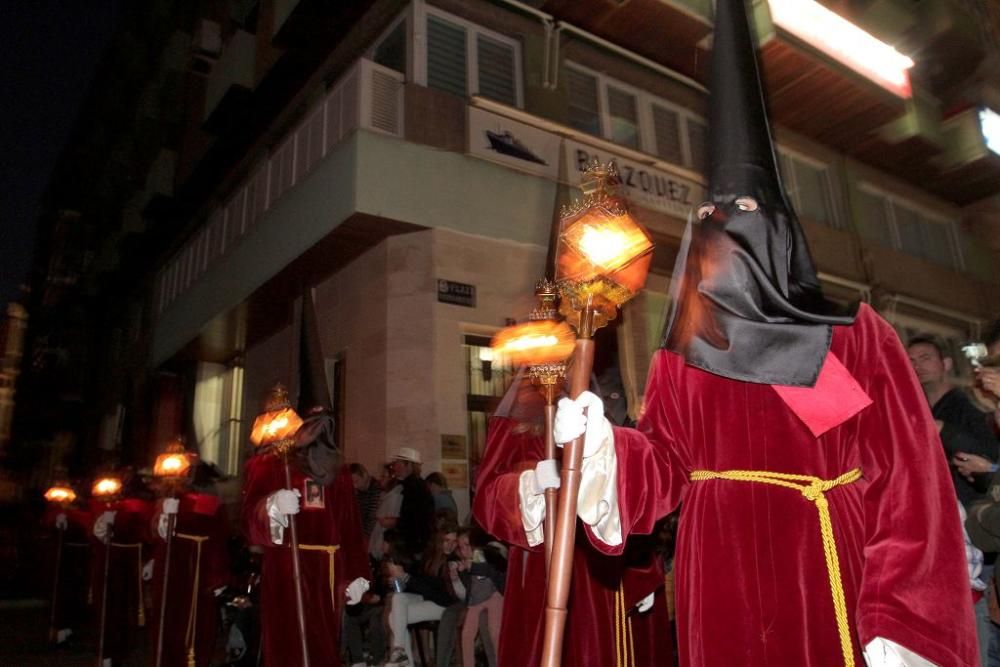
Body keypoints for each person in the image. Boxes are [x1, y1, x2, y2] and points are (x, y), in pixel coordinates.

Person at [539, 0, 978, 664]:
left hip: (829, 571)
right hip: (720, 578)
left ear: (783, 229)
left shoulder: (854, 335)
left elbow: (914, 486)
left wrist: (900, 618)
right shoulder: (682, 356)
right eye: (716, 213)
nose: (731, 224)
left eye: (748, 209)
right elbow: (661, 467)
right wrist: (603, 450)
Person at [242, 439, 370, 666]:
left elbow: (350, 525)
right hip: (288, 566)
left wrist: (357, 574)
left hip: (329, 570)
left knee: (325, 644)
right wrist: (273, 506)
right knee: (288, 641)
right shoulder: (269, 464)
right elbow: (250, 516)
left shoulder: (337, 469)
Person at [148, 461, 229, 667]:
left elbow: (216, 537)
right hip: (173, 567)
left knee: (193, 623)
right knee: (170, 620)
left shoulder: (207, 503)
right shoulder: (170, 502)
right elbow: (160, 534)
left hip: (196, 570)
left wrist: (217, 575)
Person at [908, 333, 998, 506]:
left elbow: (991, 452)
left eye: (925, 358)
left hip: (967, 508)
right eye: (910, 361)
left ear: (946, 363)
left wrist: (946, 431)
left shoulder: (975, 405)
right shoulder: (915, 409)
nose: (917, 366)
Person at [90, 470, 154, 667]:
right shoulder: (129, 508)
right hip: (119, 562)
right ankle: (114, 650)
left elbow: (149, 534)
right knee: (118, 608)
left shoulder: (136, 508)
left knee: (120, 608)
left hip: (125, 562)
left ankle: (117, 650)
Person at [383, 522, 462, 665]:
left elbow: (441, 595)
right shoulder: (432, 557)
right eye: (446, 540)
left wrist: (406, 577)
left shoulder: (453, 561)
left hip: (446, 605)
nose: (450, 545)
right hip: (431, 600)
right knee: (398, 599)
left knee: (393, 617)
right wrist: (401, 581)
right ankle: (400, 653)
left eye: (454, 541)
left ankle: (402, 658)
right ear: (440, 541)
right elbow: (422, 584)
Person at [456, 529, 506, 667]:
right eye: (461, 547)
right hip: (476, 601)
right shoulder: (466, 561)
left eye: (467, 545)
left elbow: (491, 569)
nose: (464, 550)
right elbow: (470, 588)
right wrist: (462, 573)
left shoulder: (486, 553)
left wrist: (473, 566)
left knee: (494, 632)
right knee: (466, 635)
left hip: (493, 595)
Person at [391, 447, 435, 558]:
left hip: (412, 545)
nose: (395, 467)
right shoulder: (414, 484)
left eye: (398, 463)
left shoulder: (413, 487)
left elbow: (412, 519)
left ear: (409, 465)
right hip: (415, 543)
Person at [351, 462, 382, 539]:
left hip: (374, 536)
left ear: (365, 475)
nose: (354, 486)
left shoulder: (377, 489)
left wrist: (363, 538)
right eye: (352, 483)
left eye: (356, 481)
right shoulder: (359, 490)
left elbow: (372, 516)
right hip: (364, 535)